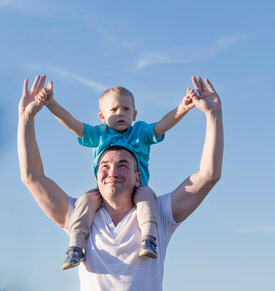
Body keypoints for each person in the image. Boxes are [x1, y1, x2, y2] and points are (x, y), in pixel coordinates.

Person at [18, 74, 223, 291]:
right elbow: (33, 177)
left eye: (123, 164)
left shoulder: (159, 214)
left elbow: (208, 176)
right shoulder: (80, 215)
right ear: (96, 175)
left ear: (138, 177)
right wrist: (27, 118)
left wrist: (213, 115)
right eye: (105, 165)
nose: (112, 170)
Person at [35, 80, 194, 270]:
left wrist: (183, 108)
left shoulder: (140, 133)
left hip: (136, 187)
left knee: (146, 198)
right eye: (114, 110)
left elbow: (162, 126)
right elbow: (73, 125)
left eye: (126, 109)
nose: (120, 113)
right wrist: (51, 104)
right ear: (102, 116)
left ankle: (149, 239)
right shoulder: (100, 134)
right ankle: (76, 247)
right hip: (106, 190)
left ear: (134, 114)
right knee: (85, 201)